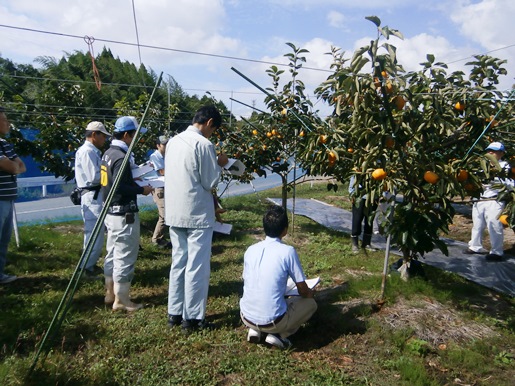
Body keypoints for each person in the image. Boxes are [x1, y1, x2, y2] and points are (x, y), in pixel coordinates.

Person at [164, 105, 229, 334]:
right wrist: (220, 164)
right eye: (214, 129)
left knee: (178, 261)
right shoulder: (204, 144)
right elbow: (209, 182)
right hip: (196, 214)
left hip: (175, 212)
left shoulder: (173, 141)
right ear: (209, 123)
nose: (212, 134)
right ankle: (192, 318)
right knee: (197, 266)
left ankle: (175, 312)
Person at [240, 205, 317, 349]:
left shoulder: (251, 250)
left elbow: (248, 279)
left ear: (264, 227)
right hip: (273, 321)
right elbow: (302, 289)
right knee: (310, 304)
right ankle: (279, 336)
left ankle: (255, 329)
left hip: (246, 316)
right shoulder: (287, 252)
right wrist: (310, 294)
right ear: (285, 230)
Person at [101, 116, 154, 311]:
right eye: (134, 135)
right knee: (125, 255)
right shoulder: (121, 157)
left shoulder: (108, 153)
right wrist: (142, 190)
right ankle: (122, 300)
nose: (135, 139)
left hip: (111, 212)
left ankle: (110, 293)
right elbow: (120, 186)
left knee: (112, 252)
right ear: (126, 135)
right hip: (124, 213)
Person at [464, 142, 513, 261]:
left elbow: (510, 184)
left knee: (494, 225)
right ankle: (475, 246)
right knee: (477, 224)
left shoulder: (505, 167)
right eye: (489, 150)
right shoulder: (481, 165)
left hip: (494, 200)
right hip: (479, 199)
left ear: (501, 153)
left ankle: (497, 252)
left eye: (494, 151)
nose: (490, 153)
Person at [74, 121, 111, 279]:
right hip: (92, 196)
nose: (105, 139)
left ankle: (90, 264)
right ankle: (85, 269)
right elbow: (94, 177)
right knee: (94, 233)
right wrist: (111, 175)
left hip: (95, 196)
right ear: (94, 134)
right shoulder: (87, 152)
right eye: (103, 135)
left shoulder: (92, 151)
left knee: (97, 232)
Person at [0, 106, 26, 284]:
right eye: (5, 119)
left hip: (8, 198)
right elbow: (11, 167)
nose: (8, 123)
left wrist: (12, 166)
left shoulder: (5, 144)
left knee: (3, 240)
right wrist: (12, 166)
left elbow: (21, 166)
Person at [149, 135, 171, 249]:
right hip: (159, 188)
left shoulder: (168, 155)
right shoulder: (155, 156)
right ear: (158, 145)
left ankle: (161, 237)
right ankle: (156, 239)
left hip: (166, 186)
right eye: (164, 144)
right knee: (164, 215)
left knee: (167, 214)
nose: (166, 146)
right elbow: (162, 171)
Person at [349, 175, 378, 253]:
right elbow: (354, 178)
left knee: (369, 220)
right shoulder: (360, 166)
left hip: (373, 197)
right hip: (360, 196)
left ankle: (366, 243)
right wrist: (352, 193)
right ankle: (355, 244)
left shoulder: (378, 165)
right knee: (357, 219)